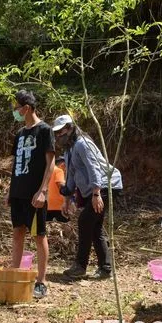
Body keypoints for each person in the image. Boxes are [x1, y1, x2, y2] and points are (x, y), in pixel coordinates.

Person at [53, 114, 123, 279]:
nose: (58, 136)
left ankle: (80, 266)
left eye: (61, 131)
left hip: (107, 185)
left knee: (85, 221)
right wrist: (66, 199)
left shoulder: (83, 144)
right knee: (94, 226)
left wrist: (96, 193)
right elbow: (71, 175)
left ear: (70, 128)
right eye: (56, 133)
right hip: (97, 188)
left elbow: (94, 168)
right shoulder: (69, 149)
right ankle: (105, 268)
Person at [6, 90, 55, 299]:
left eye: (17, 107)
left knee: (38, 235)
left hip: (35, 195)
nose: (15, 111)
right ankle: (15, 276)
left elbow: (50, 163)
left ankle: (41, 282)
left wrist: (42, 190)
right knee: (18, 232)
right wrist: (11, 190)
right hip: (18, 193)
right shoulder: (19, 134)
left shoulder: (44, 131)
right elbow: (16, 164)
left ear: (27, 108)